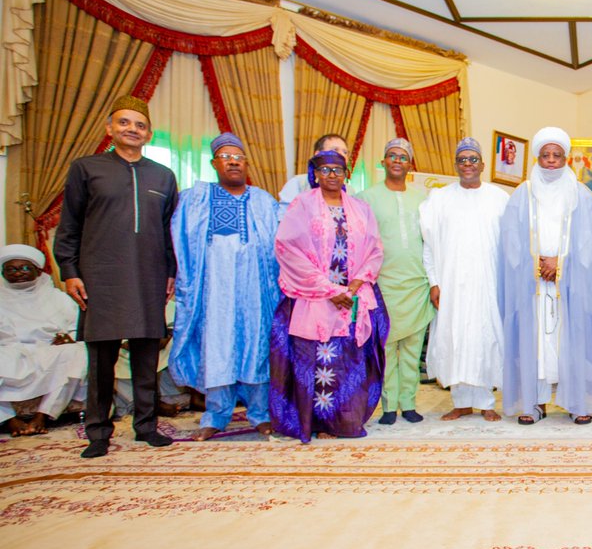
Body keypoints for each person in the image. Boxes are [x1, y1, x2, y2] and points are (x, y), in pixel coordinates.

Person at [54, 95, 178, 458]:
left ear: (149, 134)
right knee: (101, 360)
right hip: (101, 278)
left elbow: (169, 230)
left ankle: (146, 426)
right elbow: (70, 225)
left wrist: (170, 272)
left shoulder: (163, 176)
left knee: (146, 358)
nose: (132, 130)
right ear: (110, 128)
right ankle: (98, 432)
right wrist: (69, 271)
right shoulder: (86, 168)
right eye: (124, 123)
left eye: (139, 125)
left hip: (149, 276)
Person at [498, 126, 592, 424]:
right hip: (533, 282)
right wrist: (537, 263)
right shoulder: (520, 193)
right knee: (534, 343)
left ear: (566, 159)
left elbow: (589, 242)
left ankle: (578, 402)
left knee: (573, 342)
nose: (551, 160)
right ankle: (534, 404)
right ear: (537, 158)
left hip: (571, 283)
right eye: (546, 155)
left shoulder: (581, 194)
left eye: (557, 155)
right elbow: (511, 241)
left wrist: (561, 264)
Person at [169, 132, 282, 440]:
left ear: (246, 164)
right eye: (226, 158)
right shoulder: (196, 199)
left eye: (238, 158)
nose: (233, 163)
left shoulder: (263, 200)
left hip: (255, 288)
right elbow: (179, 242)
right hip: (214, 287)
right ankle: (215, 415)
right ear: (214, 163)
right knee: (217, 347)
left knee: (256, 345)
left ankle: (260, 413)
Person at [269, 150, 388, 442]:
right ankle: (315, 423)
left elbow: (374, 250)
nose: (332, 175)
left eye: (338, 169)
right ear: (316, 174)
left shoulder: (361, 209)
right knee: (317, 362)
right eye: (325, 169)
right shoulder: (302, 206)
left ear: (346, 174)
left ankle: (343, 421)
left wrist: (356, 284)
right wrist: (328, 290)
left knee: (349, 362)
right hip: (315, 298)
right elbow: (288, 249)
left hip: (353, 297)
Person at [420, 137, 509, 421]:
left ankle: (486, 402)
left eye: (473, 159)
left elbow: (511, 246)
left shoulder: (500, 198)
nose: (468, 164)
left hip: (488, 283)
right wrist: (434, 281)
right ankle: (460, 402)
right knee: (455, 337)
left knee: (486, 337)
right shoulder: (439, 198)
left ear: (482, 164)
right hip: (452, 283)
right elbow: (429, 245)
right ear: (456, 165)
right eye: (462, 160)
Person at [359, 137, 432, 424]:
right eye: (392, 155)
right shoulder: (366, 198)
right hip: (383, 286)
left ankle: (409, 403)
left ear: (410, 164)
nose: (397, 161)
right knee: (387, 349)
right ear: (383, 162)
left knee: (413, 350)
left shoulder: (423, 200)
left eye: (403, 157)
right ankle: (389, 407)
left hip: (417, 284)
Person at [0, 244, 87, 435]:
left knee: (79, 352)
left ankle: (43, 415)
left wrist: (69, 338)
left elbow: (76, 327)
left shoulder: (58, 298)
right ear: (3, 272)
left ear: (38, 272)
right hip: (8, 350)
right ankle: (7, 419)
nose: (18, 273)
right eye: (11, 269)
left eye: (24, 268)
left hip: (49, 350)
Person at [277, 134, 357, 205]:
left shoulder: (349, 191)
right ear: (318, 154)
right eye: (335, 150)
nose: (341, 155)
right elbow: (285, 218)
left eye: (345, 152)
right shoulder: (298, 184)